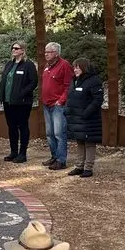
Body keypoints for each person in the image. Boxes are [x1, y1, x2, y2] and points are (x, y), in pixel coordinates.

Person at [0, 41, 39, 163]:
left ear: (23, 50)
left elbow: (33, 82)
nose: (13, 50)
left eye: (16, 48)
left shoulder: (28, 65)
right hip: (8, 101)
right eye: (12, 48)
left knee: (22, 126)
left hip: (22, 102)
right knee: (11, 127)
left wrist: (21, 93)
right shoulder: (9, 64)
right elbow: (5, 80)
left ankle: (22, 153)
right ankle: (13, 151)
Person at [64, 57, 103, 178]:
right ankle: (79, 166)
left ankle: (88, 168)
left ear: (84, 67)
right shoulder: (74, 80)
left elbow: (98, 100)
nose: (75, 69)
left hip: (89, 118)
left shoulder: (94, 81)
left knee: (89, 143)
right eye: (74, 67)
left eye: (77, 67)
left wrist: (86, 113)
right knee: (80, 141)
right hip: (76, 118)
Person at [40, 42, 74, 171]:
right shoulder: (47, 66)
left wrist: (61, 100)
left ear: (56, 53)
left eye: (49, 52)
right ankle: (54, 156)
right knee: (49, 133)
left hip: (57, 105)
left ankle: (61, 160)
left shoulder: (64, 65)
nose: (46, 54)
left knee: (59, 133)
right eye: (45, 52)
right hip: (47, 104)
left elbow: (68, 85)